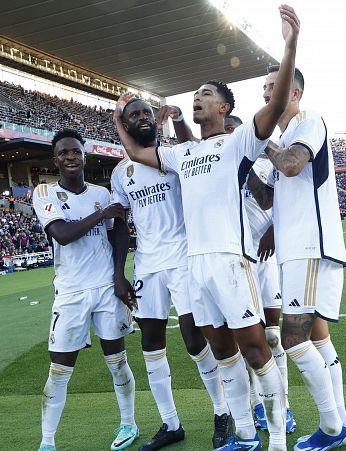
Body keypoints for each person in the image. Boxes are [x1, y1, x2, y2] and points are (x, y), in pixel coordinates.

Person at [113, 6, 299, 449]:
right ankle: (245, 435)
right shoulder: (182, 155)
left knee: (256, 350)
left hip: (231, 261)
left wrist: (289, 45)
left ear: (225, 106)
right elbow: (139, 156)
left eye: (205, 94)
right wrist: (119, 119)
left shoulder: (239, 142)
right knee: (223, 354)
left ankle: (275, 439)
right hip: (194, 266)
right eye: (195, 94)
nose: (197, 98)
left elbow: (273, 106)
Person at [110, 98, 230, 450]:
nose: (143, 118)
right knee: (150, 343)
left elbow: (194, 148)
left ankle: (222, 411)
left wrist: (177, 119)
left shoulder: (177, 157)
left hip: (183, 259)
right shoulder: (121, 173)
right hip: (148, 264)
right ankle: (170, 423)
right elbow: (120, 223)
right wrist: (120, 274)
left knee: (195, 341)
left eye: (146, 112)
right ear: (127, 126)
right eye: (134, 115)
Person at [260, 64, 346, 449]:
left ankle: (332, 426)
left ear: (293, 92)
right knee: (317, 339)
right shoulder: (282, 139)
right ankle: (341, 424)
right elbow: (267, 195)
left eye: (273, 87)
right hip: (296, 252)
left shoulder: (309, 122)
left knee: (293, 340)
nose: (266, 94)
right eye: (264, 88)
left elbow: (292, 165)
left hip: (310, 248)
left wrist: (261, 142)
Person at [32, 129, 138, 451]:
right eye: (64, 153)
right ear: (56, 159)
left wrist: (120, 276)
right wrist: (102, 214)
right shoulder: (44, 193)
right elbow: (62, 234)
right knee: (59, 368)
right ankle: (47, 442)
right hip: (71, 292)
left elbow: (119, 235)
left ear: (84, 156)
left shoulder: (102, 194)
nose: (70, 157)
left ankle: (128, 424)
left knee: (117, 360)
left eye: (76, 152)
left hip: (106, 287)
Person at [224, 114, 297, 435]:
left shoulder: (268, 161)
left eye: (233, 131)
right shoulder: (216, 168)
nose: (228, 136)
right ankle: (256, 402)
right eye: (224, 131)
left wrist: (274, 230)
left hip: (266, 259)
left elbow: (284, 204)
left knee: (271, 336)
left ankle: (283, 404)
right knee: (244, 342)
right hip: (234, 262)